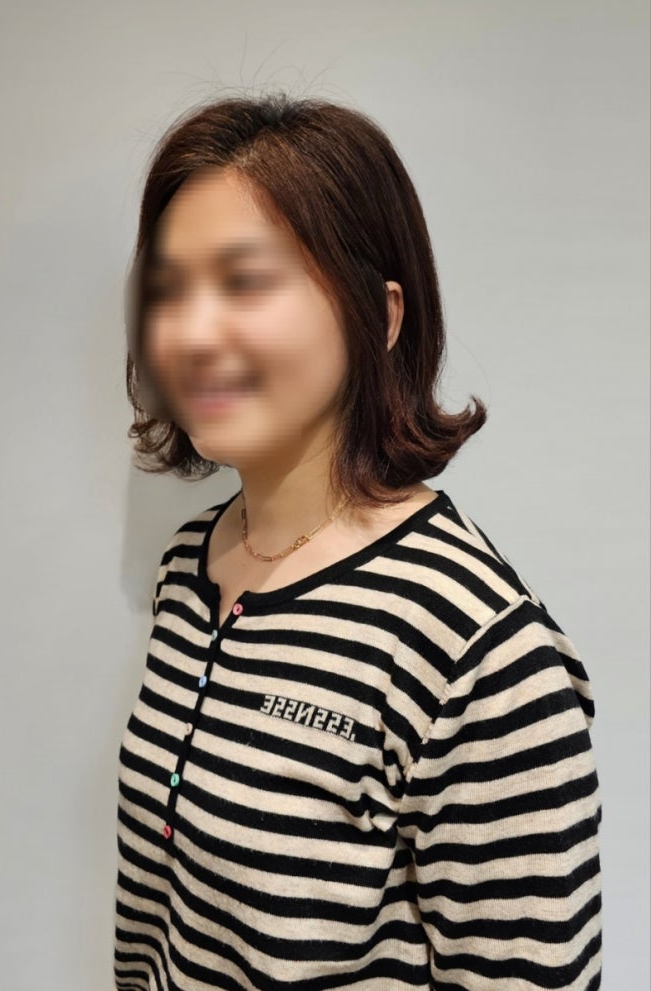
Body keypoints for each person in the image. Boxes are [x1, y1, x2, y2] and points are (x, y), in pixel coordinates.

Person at [114, 91, 603, 991]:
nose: (192, 331)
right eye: (169, 289)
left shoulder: (476, 651)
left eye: (244, 281)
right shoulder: (189, 567)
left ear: (378, 316)